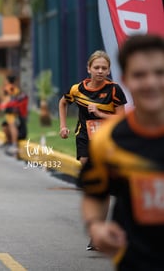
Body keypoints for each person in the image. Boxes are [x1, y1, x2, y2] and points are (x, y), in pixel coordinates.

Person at [80, 34, 164, 270]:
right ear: (126, 80)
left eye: (159, 73)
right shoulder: (107, 141)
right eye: (140, 75)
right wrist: (96, 226)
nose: (151, 82)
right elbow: (94, 194)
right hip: (134, 261)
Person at [58, 50, 127, 250]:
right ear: (89, 69)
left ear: (109, 70)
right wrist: (63, 126)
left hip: (107, 140)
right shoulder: (77, 89)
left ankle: (98, 230)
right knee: (89, 172)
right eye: (96, 67)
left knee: (100, 182)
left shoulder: (114, 90)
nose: (100, 71)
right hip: (85, 137)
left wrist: (99, 113)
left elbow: (122, 118)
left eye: (104, 68)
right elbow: (63, 103)